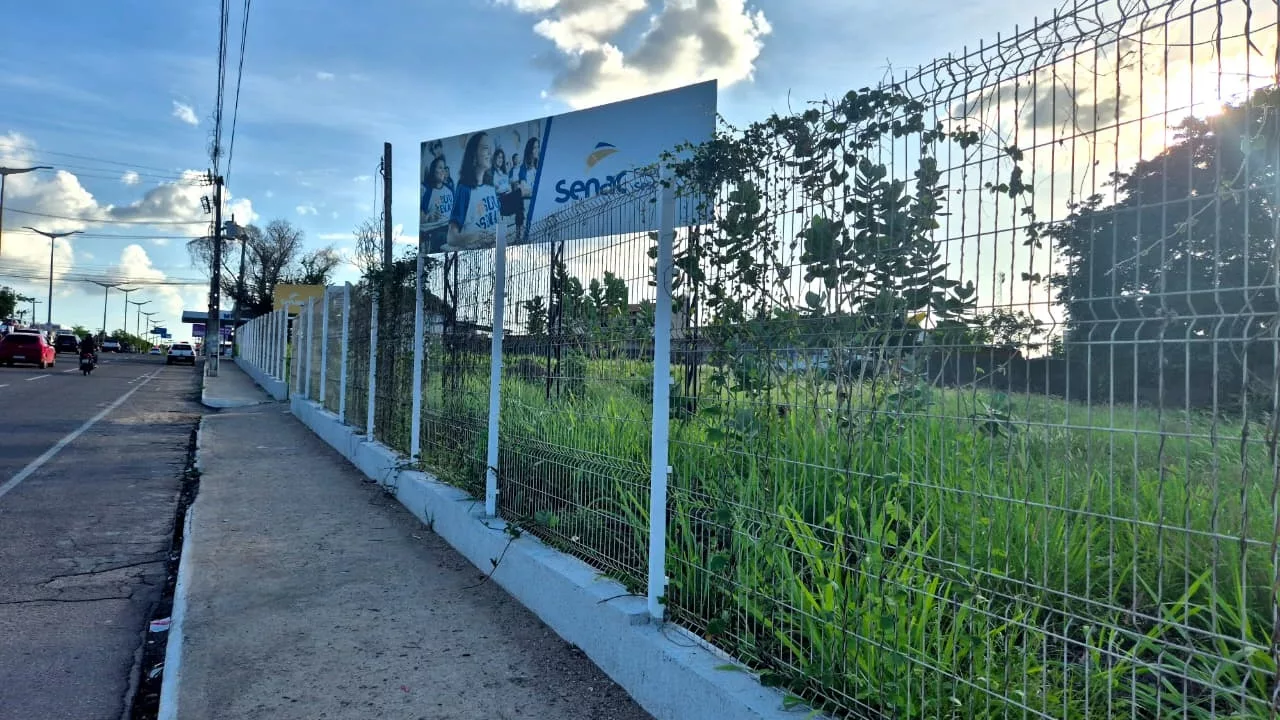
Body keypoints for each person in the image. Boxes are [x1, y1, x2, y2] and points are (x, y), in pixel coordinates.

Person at [445, 132, 500, 251]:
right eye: (486, 148)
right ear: (474, 153)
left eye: (492, 149)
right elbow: (451, 238)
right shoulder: (464, 189)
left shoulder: (491, 187)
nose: (490, 153)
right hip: (475, 256)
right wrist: (476, 237)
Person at [421, 156, 453, 251]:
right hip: (435, 231)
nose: (443, 171)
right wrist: (429, 217)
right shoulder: (427, 191)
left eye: (444, 168)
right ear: (433, 170)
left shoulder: (450, 190)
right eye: (440, 168)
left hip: (451, 229)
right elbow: (421, 216)